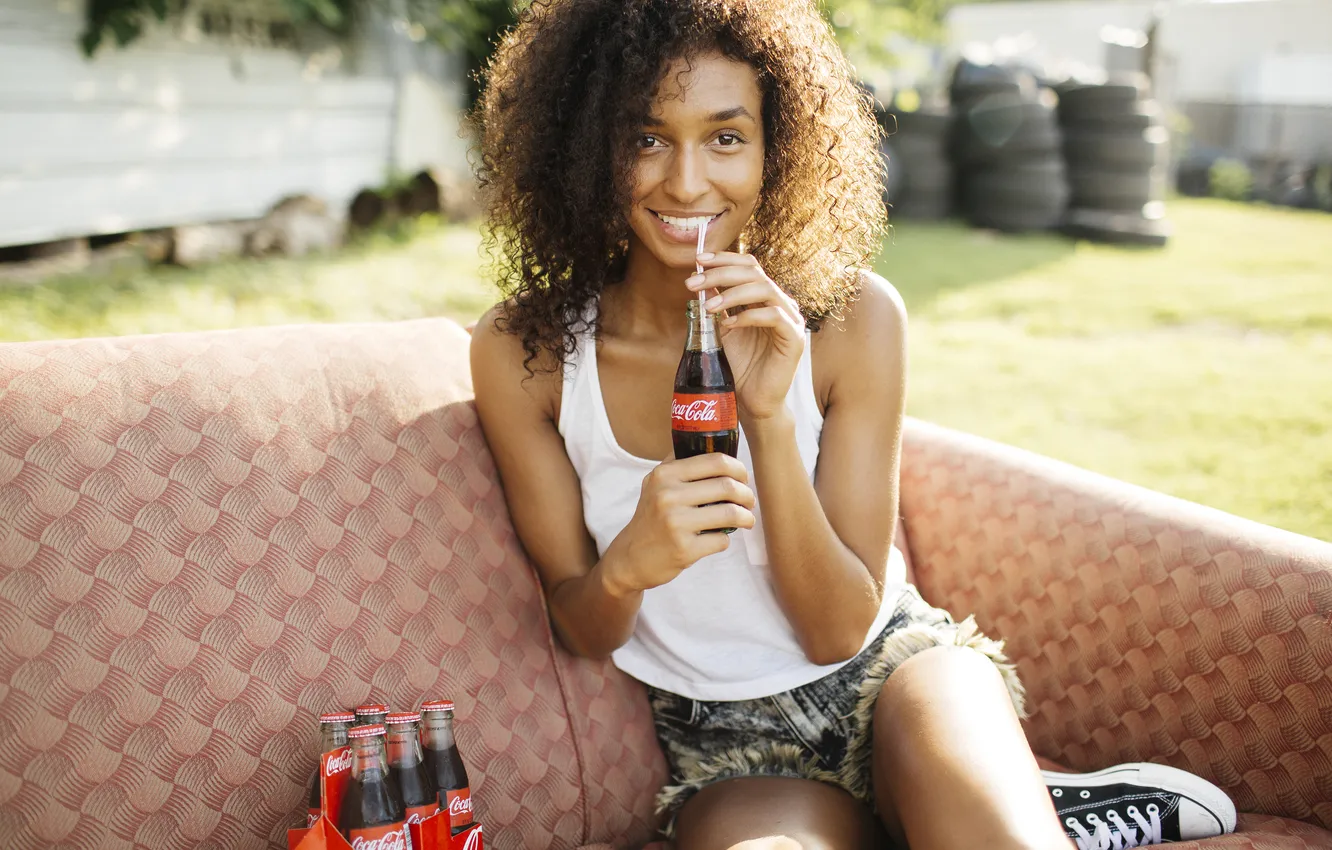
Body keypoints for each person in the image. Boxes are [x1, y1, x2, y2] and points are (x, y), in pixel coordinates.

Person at [468, 1, 1238, 848]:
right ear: (582, 150)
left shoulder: (853, 319)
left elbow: (837, 627)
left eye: (726, 137)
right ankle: (1040, 811)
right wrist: (626, 569)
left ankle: (998, 809)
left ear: (777, 151)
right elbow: (580, 626)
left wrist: (766, 419)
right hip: (732, 749)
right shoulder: (527, 355)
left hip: (895, 678)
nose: (686, 182)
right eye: (645, 139)